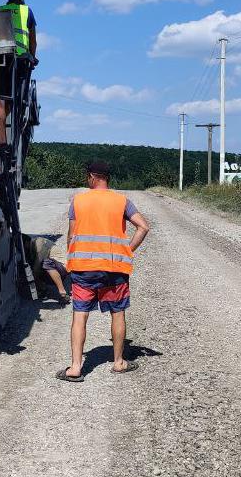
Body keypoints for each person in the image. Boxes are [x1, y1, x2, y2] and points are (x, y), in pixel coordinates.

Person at [57, 161, 151, 382]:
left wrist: (72, 257)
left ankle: (75, 368)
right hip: (114, 269)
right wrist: (127, 250)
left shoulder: (78, 201)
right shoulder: (122, 201)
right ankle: (118, 362)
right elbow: (144, 227)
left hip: (83, 269)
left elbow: (71, 236)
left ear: (92, 176)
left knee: (80, 316)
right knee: (117, 312)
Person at [0, 0, 37, 151]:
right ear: (21, 3)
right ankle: (1, 124)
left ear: (8, 2)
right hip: (20, 60)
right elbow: (33, 39)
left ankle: (1, 138)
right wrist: (33, 57)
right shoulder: (26, 11)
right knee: (14, 98)